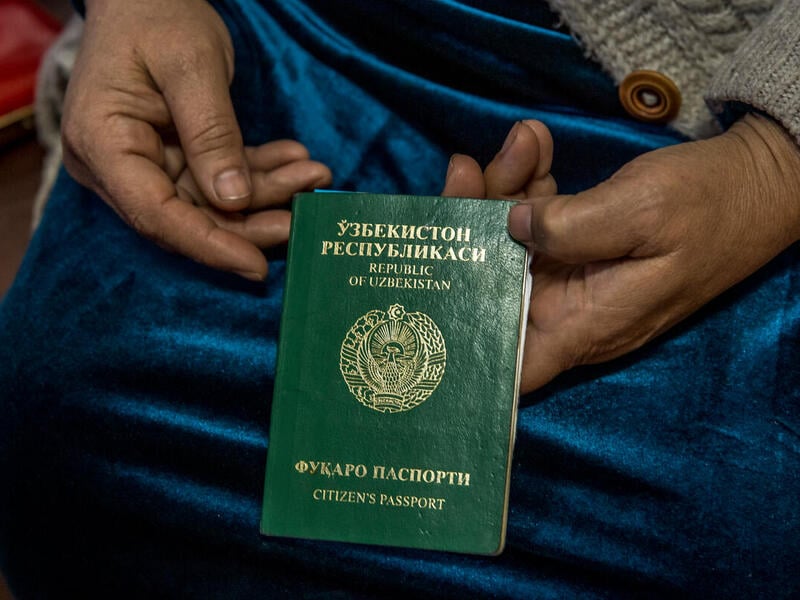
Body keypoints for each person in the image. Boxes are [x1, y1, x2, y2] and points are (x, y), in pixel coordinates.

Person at [1, 0, 798, 596]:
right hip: (293, 47)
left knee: (735, 521)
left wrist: (773, 166)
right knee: (66, 401)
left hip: (716, 133)